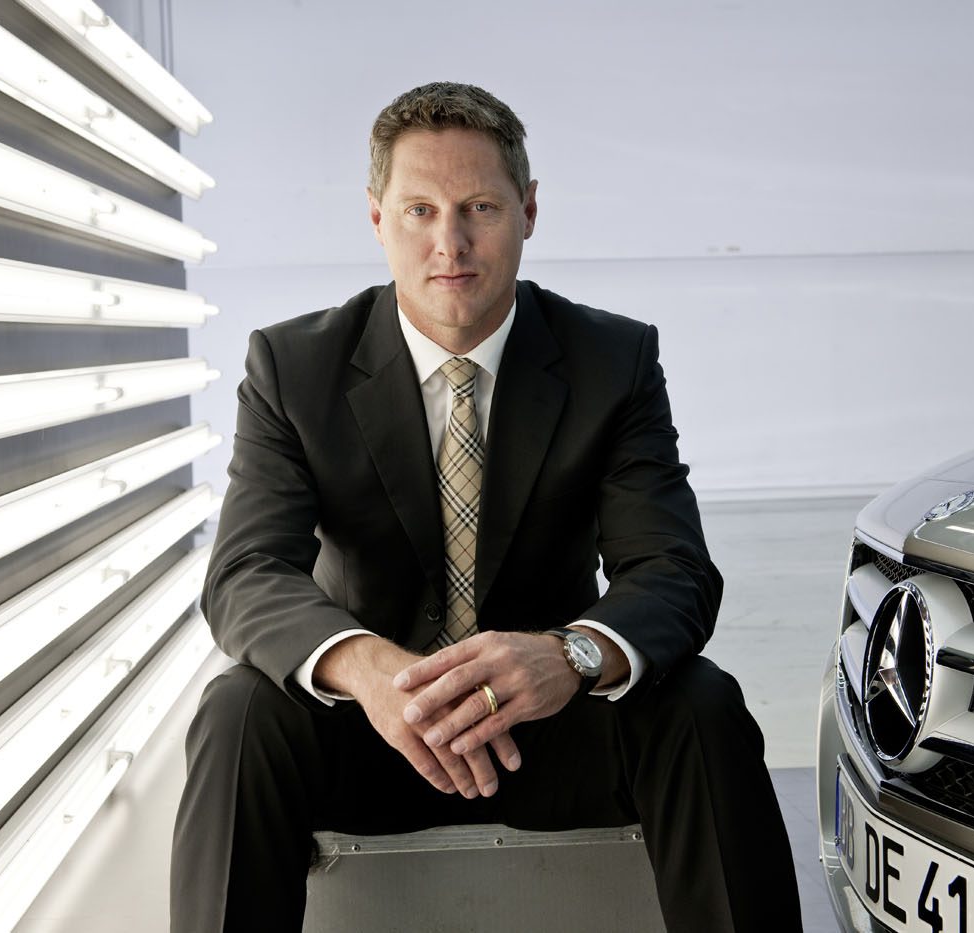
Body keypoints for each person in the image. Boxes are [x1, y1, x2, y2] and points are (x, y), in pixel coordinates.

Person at [170, 81, 802, 932]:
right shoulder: (294, 366)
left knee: (703, 703)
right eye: (420, 210)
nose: (451, 242)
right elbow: (246, 572)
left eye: (479, 207)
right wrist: (371, 670)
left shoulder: (612, 360)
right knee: (237, 711)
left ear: (529, 210)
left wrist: (570, 654)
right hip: (373, 730)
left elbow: (673, 570)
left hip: (548, 726)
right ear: (376, 218)